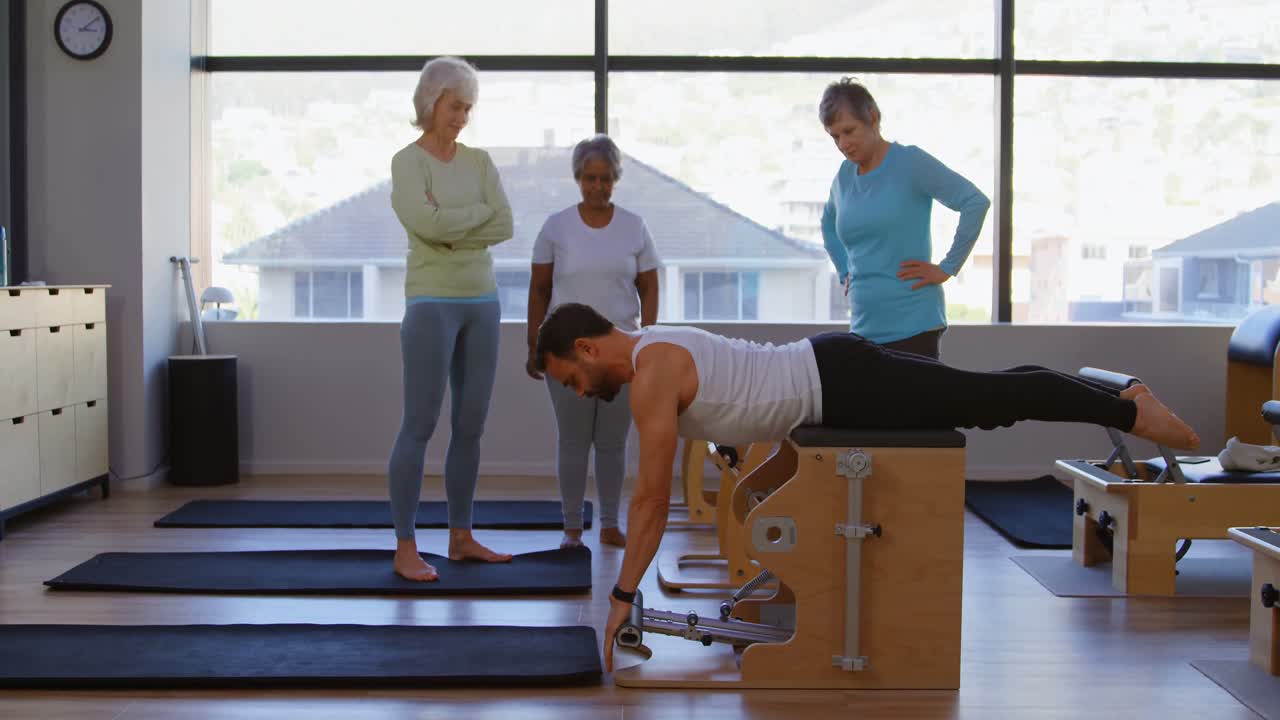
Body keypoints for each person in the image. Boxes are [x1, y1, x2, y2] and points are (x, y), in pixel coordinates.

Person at [532, 302, 1200, 668]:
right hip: (831, 383)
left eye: (570, 378)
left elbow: (649, 499)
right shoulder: (656, 349)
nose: (581, 391)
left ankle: (1128, 407)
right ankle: (1107, 396)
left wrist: (622, 594)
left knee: (988, 400)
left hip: (839, 380)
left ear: (587, 348)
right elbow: (733, 395)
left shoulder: (649, 372)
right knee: (985, 397)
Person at [386, 56, 514, 582]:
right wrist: (469, 219)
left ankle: (460, 537)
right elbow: (424, 223)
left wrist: (450, 224)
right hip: (430, 302)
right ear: (430, 102)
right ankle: (406, 545)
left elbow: (504, 223)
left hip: (482, 300)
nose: (462, 117)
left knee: (471, 426)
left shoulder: (480, 161)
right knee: (419, 424)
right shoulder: (407, 163)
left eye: (467, 108)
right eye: (454, 106)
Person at [525, 135, 661, 550]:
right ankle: (571, 530)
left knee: (611, 442)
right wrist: (535, 346)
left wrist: (648, 343)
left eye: (604, 179)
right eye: (589, 178)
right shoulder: (556, 226)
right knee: (572, 440)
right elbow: (539, 289)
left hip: (620, 354)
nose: (597, 186)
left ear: (615, 179)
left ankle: (607, 523)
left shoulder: (634, 226)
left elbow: (650, 289)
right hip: (568, 354)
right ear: (578, 178)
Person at [819, 77, 991, 360]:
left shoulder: (910, 163)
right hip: (863, 329)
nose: (843, 144)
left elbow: (974, 202)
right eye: (835, 136)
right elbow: (828, 225)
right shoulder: (844, 177)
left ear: (873, 118)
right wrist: (843, 270)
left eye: (849, 131)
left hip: (914, 326)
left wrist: (947, 267)